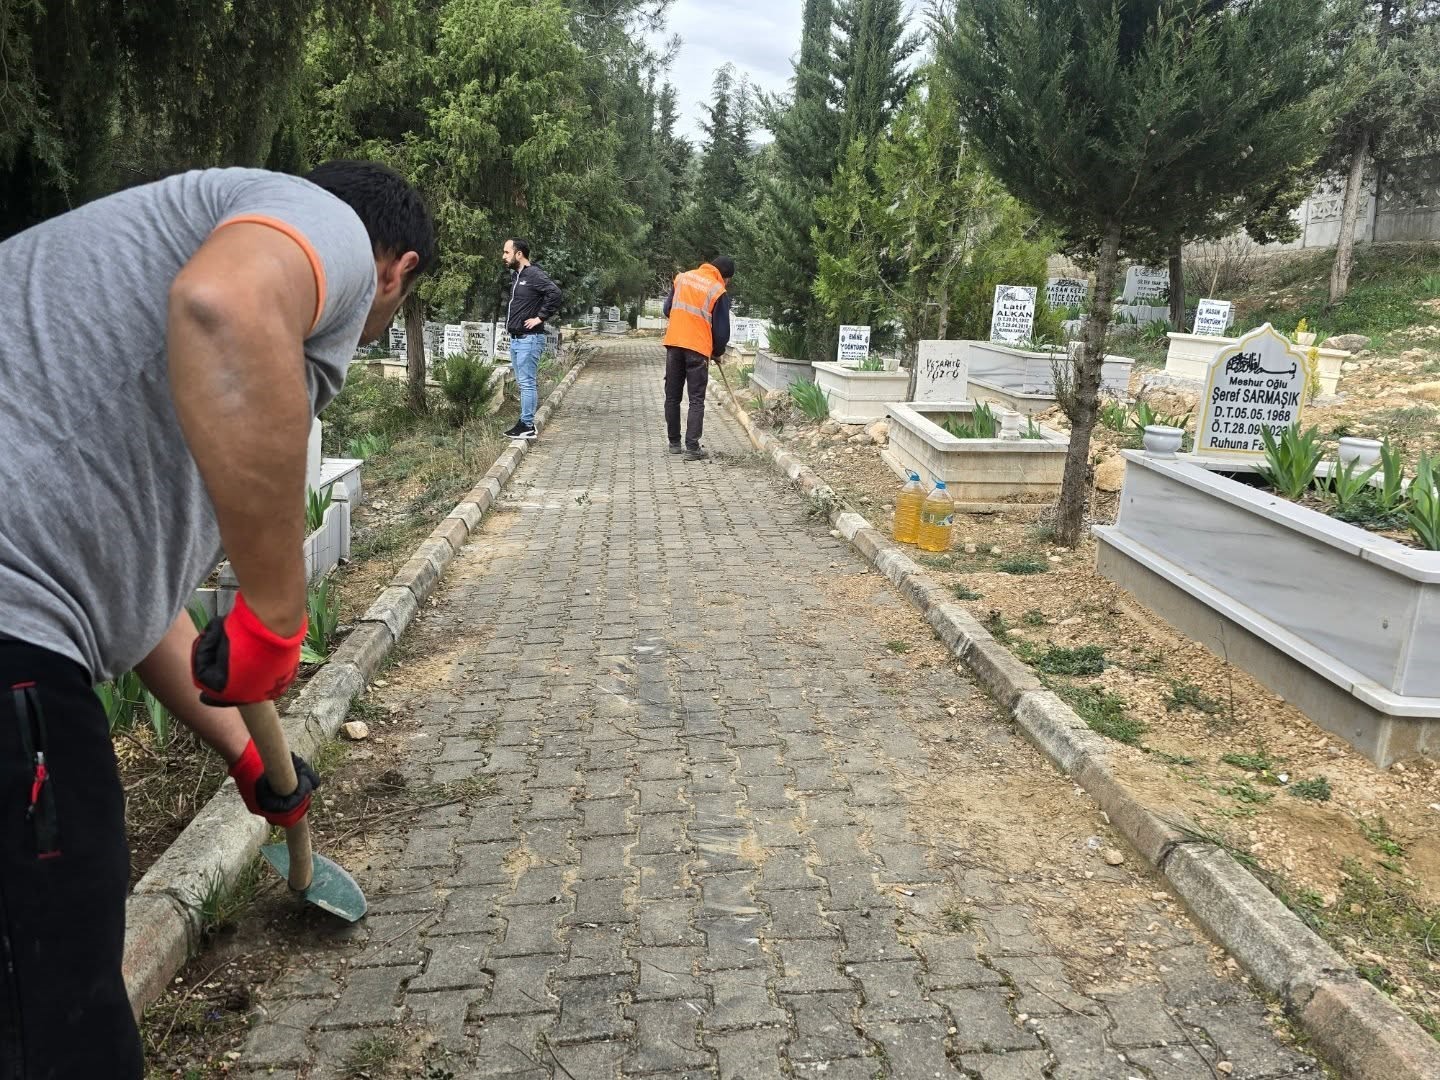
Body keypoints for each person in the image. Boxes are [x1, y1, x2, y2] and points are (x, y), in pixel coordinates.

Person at [0, 160, 434, 1079]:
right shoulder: (333, 232)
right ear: (397, 271)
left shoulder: (125, 356)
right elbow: (224, 308)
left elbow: (136, 617)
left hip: (28, 636)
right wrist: (279, 613)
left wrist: (250, 759)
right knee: (59, 1034)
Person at [662, 256, 735, 461]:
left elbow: (667, 309)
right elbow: (721, 331)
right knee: (696, 398)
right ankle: (692, 448)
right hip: (697, 348)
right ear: (724, 276)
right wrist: (718, 352)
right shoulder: (717, 290)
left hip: (674, 343)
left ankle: (674, 443)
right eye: (728, 280)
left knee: (672, 395)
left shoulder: (682, 278)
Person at [501, 237, 563, 440]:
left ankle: (528, 425)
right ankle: (523, 423)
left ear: (519, 254)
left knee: (527, 382)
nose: (504, 256)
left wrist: (539, 317)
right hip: (517, 338)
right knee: (522, 382)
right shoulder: (516, 277)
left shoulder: (534, 274)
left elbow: (554, 293)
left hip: (530, 339)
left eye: (507, 252)